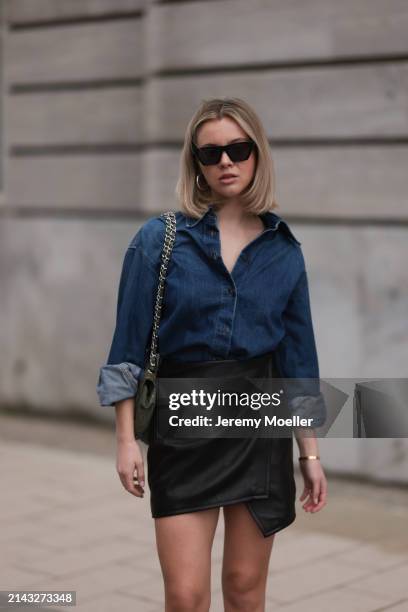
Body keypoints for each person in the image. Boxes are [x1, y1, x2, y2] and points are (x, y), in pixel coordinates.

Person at [97, 97, 328, 612]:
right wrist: (126, 440)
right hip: (184, 429)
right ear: (196, 164)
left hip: (259, 430)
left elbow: (298, 361)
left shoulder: (283, 249)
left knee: (246, 590)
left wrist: (309, 454)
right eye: (211, 153)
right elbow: (127, 349)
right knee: (185, 595)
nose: (226, 161)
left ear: (257, 155)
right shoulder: (158, 241)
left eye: (238, 149)